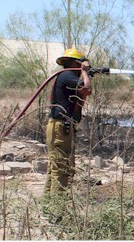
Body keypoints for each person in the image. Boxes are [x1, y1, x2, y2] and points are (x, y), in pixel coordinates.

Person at [44, 48, 92, 198]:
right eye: (81, 64)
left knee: (59, 167)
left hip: (63, 127)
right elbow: (87, 89)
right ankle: (55, 211)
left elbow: (82, 96)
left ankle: (50, 206)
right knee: (61, 168)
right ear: (75, 63)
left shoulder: (70, 78)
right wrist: (85, 73)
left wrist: (86, 74)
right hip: (60, 128)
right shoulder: (67, 76)